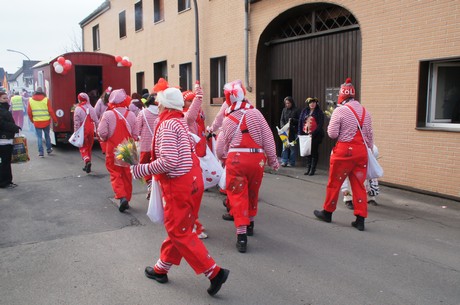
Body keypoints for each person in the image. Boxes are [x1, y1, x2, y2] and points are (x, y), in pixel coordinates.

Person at [130, 82, 229, 296]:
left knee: (179, 231)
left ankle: (214, 272)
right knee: (181, 227)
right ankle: (161, 269)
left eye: (160, 102)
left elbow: (168, 161)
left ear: (164, 106)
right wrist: (200, 94)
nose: (157, 104)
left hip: (179, 185)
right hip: (193, 182)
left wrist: (140, 169)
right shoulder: (180, 120)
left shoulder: (167, 124)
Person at [216, 80, 280, 253]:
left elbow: (220, 146)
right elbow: (268, 137)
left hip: (236, 159)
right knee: (253, 191)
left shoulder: (228, 120)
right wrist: (273, 160)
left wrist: (222, 157)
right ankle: (250, 224)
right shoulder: (256, 114)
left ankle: (241, 235)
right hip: (257, 159)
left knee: (238, 196)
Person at [314, 78, 374, 231]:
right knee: (359, 185)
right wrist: (370, 151)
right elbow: (370, 135)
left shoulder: (339, 110)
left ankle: (327, 212)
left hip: (344, 152)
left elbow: (332, 134)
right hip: (361, 152)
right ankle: (360, 219)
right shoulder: (365, 112)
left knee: (334, 182)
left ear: (342, 95)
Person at [98, 89, 139, 212]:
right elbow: (136, 134)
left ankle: (121, 196)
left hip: (114, 147)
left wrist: (105, 138)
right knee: (127, 173)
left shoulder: (108, 114)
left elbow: (102, 132)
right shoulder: (131, 114)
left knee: (115, 172)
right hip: (129, 147)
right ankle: (127, 197)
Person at [182, 85, 208, 239]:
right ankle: (193, 226)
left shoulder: (193, 115)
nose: (191, 103)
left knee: (194, 194)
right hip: (187, 160)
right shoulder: (185, 116)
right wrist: (198, 97)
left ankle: (192, 225)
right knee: (191, 195)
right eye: (189, 101)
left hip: (196, 156)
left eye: (192, 100)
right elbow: (191, 116)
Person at [135, 92, 159, 197]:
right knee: (157, 166)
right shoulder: (162, 113)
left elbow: (137, 129)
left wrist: (136, 137)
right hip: (158, 145)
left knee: (145, 166)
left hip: (145, 145)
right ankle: (156, 186)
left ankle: (149, 184)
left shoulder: (143, 113)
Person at [27, 87, 58, 157]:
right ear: (42, 92)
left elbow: (29, 112)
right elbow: (51, 111)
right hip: (46, 121)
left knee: (39, 137)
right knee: (47, 136)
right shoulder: (46, 99)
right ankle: (49, 149)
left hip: (37, 122)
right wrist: (55, 120)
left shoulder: (30, 100)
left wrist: (32, 120)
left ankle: (41, 153)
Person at [298, 97, 325, 175]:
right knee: (307, 152)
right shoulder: (304, 111)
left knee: (314, 151)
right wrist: (300, 132)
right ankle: (308, 168)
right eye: (310, 103)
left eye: (314, 103)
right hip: (305, 134)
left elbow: (320, 124)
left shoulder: (319, 112)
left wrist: (314, 133)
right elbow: (300, 122)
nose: (312, 104)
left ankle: (313, 169)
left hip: (315, 135)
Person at [74, 93, 99, 173]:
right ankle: (87, 165)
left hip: (83, 130)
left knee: (83, 147)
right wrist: (98, 130)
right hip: (91, 129)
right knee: (89, 147)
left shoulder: (78, 109)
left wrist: (76, 132)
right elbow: (96, 120)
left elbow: (76, 122)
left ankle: (87, 160)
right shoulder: (91, 108)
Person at [0, 92, 21, 188]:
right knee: (5, 162)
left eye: (7, 98)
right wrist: (14, 127)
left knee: (6, 161)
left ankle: (6, 181)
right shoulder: (1, 110)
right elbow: (2, 123)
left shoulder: (4, 109)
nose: (7, 99)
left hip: (6, 139)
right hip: (3, 140)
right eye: (4, 98)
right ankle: (5, 182)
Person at [279, 96, 301, 167]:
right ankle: (284, 161)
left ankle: (291, 162)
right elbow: (281, 119)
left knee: (292, 148)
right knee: (285, 147)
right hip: (285, 131)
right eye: (286, 103)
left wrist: (293, 120)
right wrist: (282, 126)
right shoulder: (284, 110)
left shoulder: (297, 110)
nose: (287, 105)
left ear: (291, 103)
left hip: (293, 132)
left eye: (288, 103)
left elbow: (300, 121)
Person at [95, 87, 112, 154]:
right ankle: (109, 148)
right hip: (112, 120)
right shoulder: (112, 101)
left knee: (101, 135)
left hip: (103, 120)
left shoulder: (100, 101)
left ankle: (104, 149)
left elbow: (96, 111)